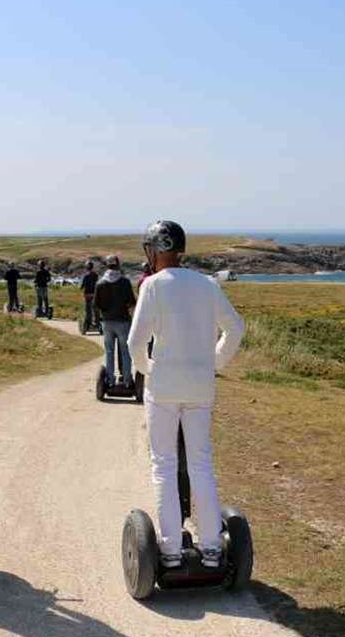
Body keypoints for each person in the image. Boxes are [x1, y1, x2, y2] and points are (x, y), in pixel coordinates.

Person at [127, 220, 245, 569]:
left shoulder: (153, 287)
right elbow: (235, 329)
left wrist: (149, 370)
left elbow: (135, 342)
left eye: (150, 248)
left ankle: (170, 550)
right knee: (200, 464)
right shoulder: (207, 285)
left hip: (163, 388)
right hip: (200, 387)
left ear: (158, 248)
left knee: (164, 466)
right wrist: (213, 362)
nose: (148, 255)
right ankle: (211, 548)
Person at [94, 255, 137, 386]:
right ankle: (127, 380)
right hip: (123, 320)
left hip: (107, 321)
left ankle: (110, 380)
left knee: (109, 351)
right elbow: (132, 302)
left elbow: (96, 304)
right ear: (118, 265)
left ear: (107, 266)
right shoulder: (125, 282)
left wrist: (104, 313)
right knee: (125, 351)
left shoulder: (100, 283)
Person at [79, 261, 99, 331]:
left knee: (88, 310)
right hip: (94, 294)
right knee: (95, 309)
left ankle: (88, 324)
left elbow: (81, 286)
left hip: (87, 294)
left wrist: (80, 287)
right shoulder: (96, 275)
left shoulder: (85, 276)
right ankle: (97, 323)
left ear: (86, 267)